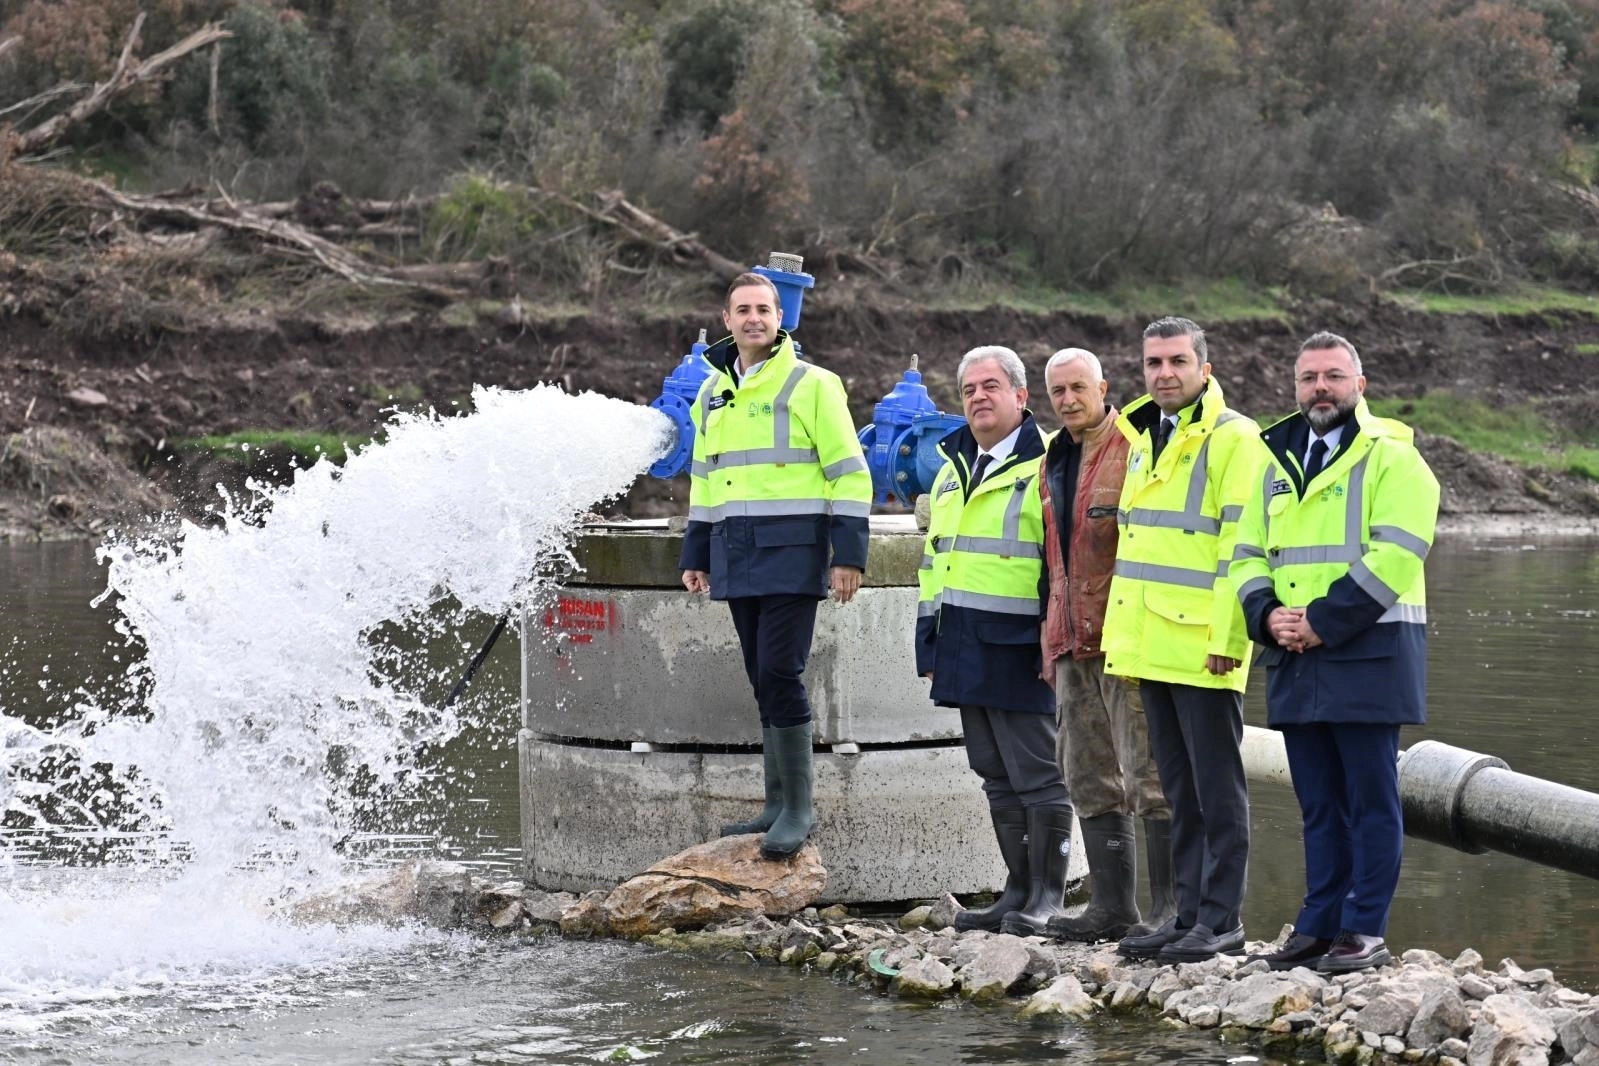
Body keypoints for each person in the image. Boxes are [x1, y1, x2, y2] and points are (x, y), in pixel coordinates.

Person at [1234, 332, 1439, 974]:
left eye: (1333, 376)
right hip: (1294, 655)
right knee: (1319, 804)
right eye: (1308, 378)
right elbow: (1244, 554)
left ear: (1360, 384)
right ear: (1295, 387)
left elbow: (1399, 552)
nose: (1320, 388)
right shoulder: (1273, 462)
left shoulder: (1393, 457)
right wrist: (1266, 616)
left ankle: (1364, 929)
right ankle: (1317, 926)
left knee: (1370, 802)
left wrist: (1322, 622)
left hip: (1367, 653)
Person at [679, 272, 872, 859]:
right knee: (759, 674)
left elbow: (850, 472)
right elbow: (704, 478)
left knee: (781, 671)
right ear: (727, 319)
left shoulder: (813, 384)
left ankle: (799, 809)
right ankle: (775, 802)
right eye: (743, 310)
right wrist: (697, 553)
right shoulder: (712, 392)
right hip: (735, 552)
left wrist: (849, 555)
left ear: (779, 317)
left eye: (764, 308)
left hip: (793, 550)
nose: (754, 318)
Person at [1103, 316, 1266, 963]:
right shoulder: (1145, 435)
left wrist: (1230, 636)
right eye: (1154, 362)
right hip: (1151, 643)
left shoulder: (1234, 438)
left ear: (1204, 367)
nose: (1164, 373)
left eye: (1177, 361)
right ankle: (1189, 915)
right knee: (1178, 790)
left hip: (1204, 647)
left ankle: (1222, 919)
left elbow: (1243, 547)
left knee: (1217, 792)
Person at [916, 345, 1073, 937]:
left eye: (991, 386)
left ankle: (1048, 898)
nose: (978, 397)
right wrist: (929, 643)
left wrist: (1054, 642)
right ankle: (1017, 890)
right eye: (969, 390)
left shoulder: (1049, 464)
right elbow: (934, 565)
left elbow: (1062, 564)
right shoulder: (950, 468)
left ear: (1021, 396)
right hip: (962, 641)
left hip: (1022, 646)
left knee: (1039, 774)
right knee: (994, 772)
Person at [1034, 348, 1175, 944]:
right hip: (1070, 641)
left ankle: (1170, 910)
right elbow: (1052, 559)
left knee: (1150, 773)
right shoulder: (1051, 457)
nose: (1068, 400)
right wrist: (1050, 640)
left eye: (1078, 388)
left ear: (1104, 388)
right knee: (1085, 772)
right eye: (1058, 391)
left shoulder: (1135, 448)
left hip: (1125, 639)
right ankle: (1113, 907)